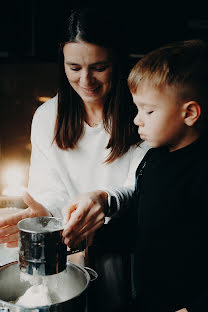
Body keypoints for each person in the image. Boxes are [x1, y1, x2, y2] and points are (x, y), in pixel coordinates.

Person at [0, 8, 149, 312]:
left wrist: (104, 201)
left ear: (117, 61)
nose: (86, 81)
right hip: (67, 248)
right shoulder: (46, 117)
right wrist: (43, 219)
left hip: (126, 250)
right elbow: (50, 192)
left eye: (99, 67)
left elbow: (140, 186)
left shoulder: (144, 113)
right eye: (74, 67)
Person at [61, 39, 208, 312]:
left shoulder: (201, 172)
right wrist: (92, 236)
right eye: (137, 108)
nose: (137, 119)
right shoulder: (154, 158)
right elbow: (143, 223)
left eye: (148, 111)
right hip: (148, 299)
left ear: (189, 112)